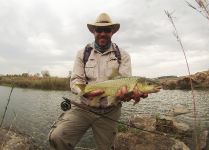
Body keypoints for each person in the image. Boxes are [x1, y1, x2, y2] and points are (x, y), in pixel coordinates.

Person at [48, 12, 148, 150]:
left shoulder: (123, 55)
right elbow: (76, 80)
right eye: (99, 30)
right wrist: (84, 92)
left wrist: (128, 96)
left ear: (112, 32)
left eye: (106, 30)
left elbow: (125, 84)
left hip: (110, 111)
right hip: (82, 107)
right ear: (93, 32)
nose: (102, 33)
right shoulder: (82, 53)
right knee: (57, 137)